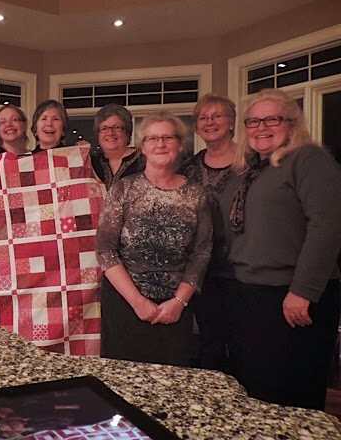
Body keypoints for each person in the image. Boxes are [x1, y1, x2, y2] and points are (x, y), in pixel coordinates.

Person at [220, 88, 341, 410]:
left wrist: (303, 290)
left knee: (294, 395)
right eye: (253, 121)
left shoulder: (309, 159)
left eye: (271, 119)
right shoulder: (249, 169)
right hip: (251, 293)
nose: (261, 127)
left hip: (292, 296)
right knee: (257, 388)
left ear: (291, 124)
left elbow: (327, 226)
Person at [96, 111, 212, 366]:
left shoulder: (196, 195)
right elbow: (105, 250)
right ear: (142, 146)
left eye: (168, 137)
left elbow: (201, 253)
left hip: (175, 308)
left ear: (180, 144)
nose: (160, 144)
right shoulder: (123, 189)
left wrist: (179, 302)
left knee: (172, 381)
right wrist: (137, 301)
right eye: (153, 138)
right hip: (125, 305)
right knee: (123, 379)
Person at [178, 93, 237, 372]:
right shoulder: (188, 169)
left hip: (242, 265)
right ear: (196, 127)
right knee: (210, 339)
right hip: (202, 266)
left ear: (232, 122)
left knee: (244, 340)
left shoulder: (252, 162)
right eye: (203, 118)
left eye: (217, 116)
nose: (209, 122)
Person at [90, 103, 142, 188]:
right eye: (104, 128)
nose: (110, 133)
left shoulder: (144, 161)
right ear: (98, 135)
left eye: (117, 127)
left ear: (127, 132)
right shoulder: (92, 165)